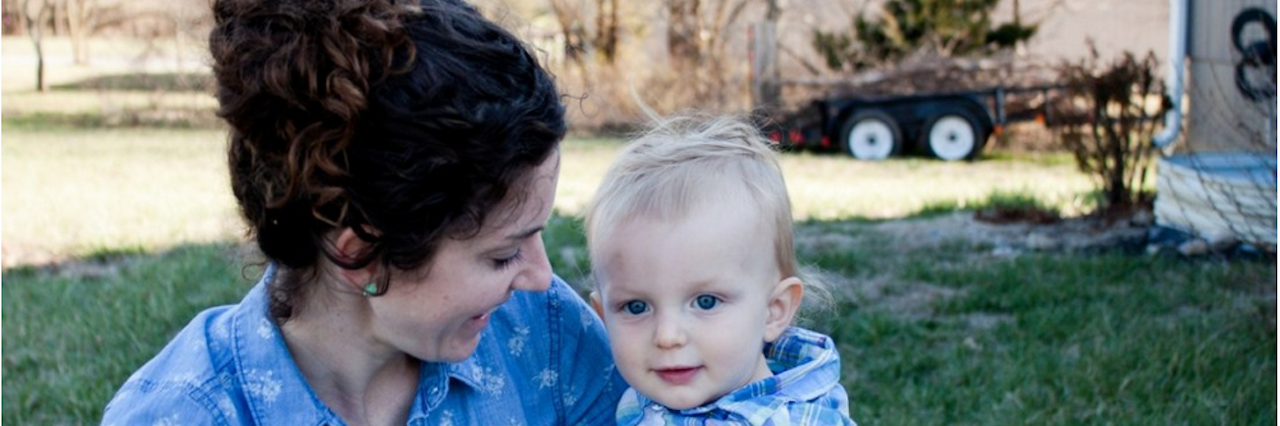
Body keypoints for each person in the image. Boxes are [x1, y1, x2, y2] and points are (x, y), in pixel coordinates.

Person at [100, 0, 626, 424]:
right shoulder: (187, 412)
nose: (540, 276)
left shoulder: (541, 333)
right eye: (502, 255)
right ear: (362, 258)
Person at [583, 115, 857, 425]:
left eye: (706, 302)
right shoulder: (641, 397)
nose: (667, 336)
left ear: (773, 310)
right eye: (636, 307)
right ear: (602, 316)